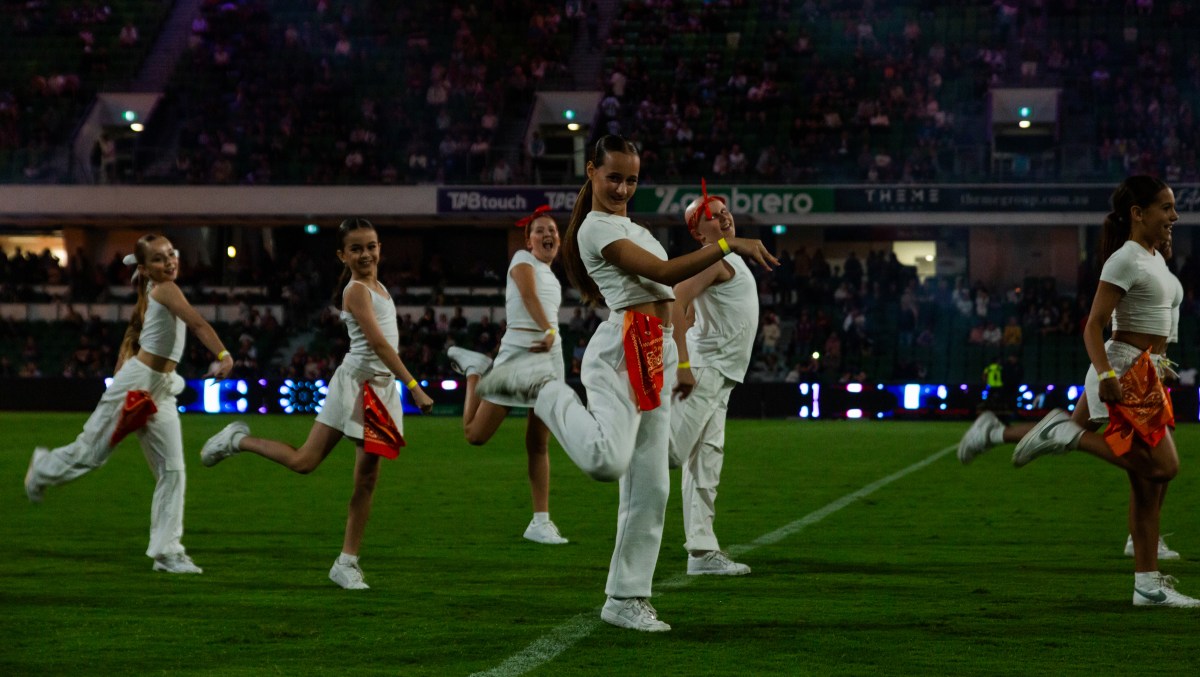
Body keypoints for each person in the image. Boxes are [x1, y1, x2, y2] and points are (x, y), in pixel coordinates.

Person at [475, 135, 776, 632]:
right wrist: (727, 244)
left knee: (653, 484)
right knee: (605, 462)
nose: (622, 188)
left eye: (631, 179)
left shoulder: (633, 227)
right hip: (624, 346)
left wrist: (679, 357)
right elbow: (663, 272)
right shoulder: (594, 228)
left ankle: (626, 598)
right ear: (591, 171)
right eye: (613, 176)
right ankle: (541, 388)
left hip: (655, 347)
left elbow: (666, 288)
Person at [959, 176, 1196, 607]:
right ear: (1138, 213)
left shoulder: (1152, 258)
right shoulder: (1125, 259)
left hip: (1146, 372)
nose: (1174, 216)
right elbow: (1092, 326)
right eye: (1165, 208)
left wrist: (1159, 369)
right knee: (1162, 468)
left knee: (1149, 482)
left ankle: (1147, 583)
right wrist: (1106, 376)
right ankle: (1067, 435)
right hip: (1125, 369)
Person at [199, 218, 434, 590]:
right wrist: (414, 386)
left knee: (339, 471)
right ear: (342, 255)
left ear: (380, 248)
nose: (365, 254)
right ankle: (238, 441)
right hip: (358, 387)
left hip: (378, 388)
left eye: (370, 246)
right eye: (356, 248)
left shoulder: (379, 288)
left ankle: (345, 562)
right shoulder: (357, 291)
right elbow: (379, 345)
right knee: (329, 468)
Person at [25, 234, 235, 574]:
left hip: (160, 388)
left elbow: (142, 331)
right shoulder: (165, 288)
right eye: (159, 258)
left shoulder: (156, 286)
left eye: (170, 254)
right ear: (145, 269)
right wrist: (224, 355)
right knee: (90, 455)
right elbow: (198, 323)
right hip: (137, 385)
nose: (169, 261)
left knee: (172, 470)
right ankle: (43, 468)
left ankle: (167, 552)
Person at [447, 205, 570, 545]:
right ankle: (474, 371)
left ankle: (540, 521)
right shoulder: (522, 259)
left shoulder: (552, 277)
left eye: (552, 230)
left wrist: (551, 338)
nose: (547, 234)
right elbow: (528, 296)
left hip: (549, 358)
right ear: (528, 241)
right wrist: (547, 330)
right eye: (539, 230)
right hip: (519, 356)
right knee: (475, 435)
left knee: (538, 442)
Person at [667, 182, 757, 577]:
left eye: (725, 211)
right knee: (670, 453)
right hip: (704, 371)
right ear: (698, 232)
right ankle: (606, 438)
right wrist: (684, 364)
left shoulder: (727, 258)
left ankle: (702, 552)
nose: (724, 217)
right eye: (713, 216)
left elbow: (687, 309)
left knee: (705, 464)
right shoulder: (713, 258)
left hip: (719, 375)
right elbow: (677, 298)